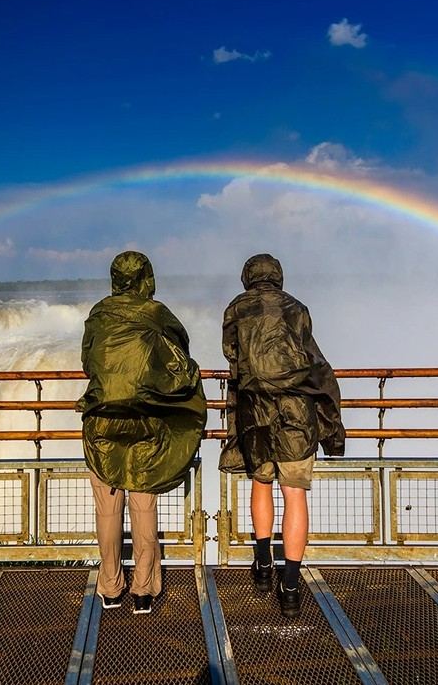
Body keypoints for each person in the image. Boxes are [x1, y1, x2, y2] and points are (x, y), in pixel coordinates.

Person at [77, 251, 206, 614]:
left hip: (102, 421)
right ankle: (145, 590)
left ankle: (111, 587)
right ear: (147, 277)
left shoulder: (99, 314)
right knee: (143, 504)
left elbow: (88, 363)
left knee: (107, 508)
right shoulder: (155, 314)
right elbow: (181, 357)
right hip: (146, 421)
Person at [220, 254, 345, 618]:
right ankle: (290, 586)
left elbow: (232, 353)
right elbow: (312, 359)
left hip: (255, 410)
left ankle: (262, 565)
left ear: (247, 277)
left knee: (261, 485)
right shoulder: (297, 309)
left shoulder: (236, 308)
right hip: (296, 413)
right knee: (295, 495)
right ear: (278, 276)